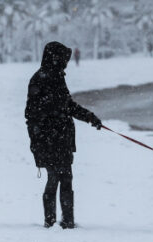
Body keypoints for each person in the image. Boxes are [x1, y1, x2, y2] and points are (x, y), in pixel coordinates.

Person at [25, 41, 102, 229]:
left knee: (63, 178)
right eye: (63, 59)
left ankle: (63, 221)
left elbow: (67, 106)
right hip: (51, 139)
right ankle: (56, 221)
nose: (66, 62)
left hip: (59, 138)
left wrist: (90, 117)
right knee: (58, 179)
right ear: (55, 58)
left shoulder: (54, 76)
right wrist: (41, 133)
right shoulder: (43, 78)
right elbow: (32, 113)